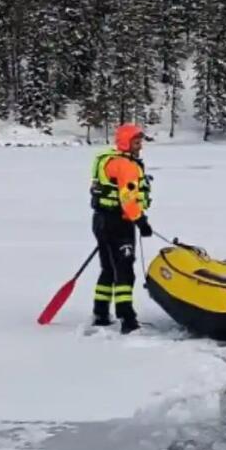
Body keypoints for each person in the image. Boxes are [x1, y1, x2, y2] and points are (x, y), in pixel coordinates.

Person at [90, 123, 153, 333]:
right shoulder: (126, 165)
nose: (140, 146)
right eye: (136, 142)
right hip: (119, 222)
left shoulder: (107, 159)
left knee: (108, 268)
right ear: (126, 142)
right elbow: (128, 198)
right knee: (124, 270)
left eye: (140, 141)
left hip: (100, 221)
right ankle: (127, 318)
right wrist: (141, 221)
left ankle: (100, 312)